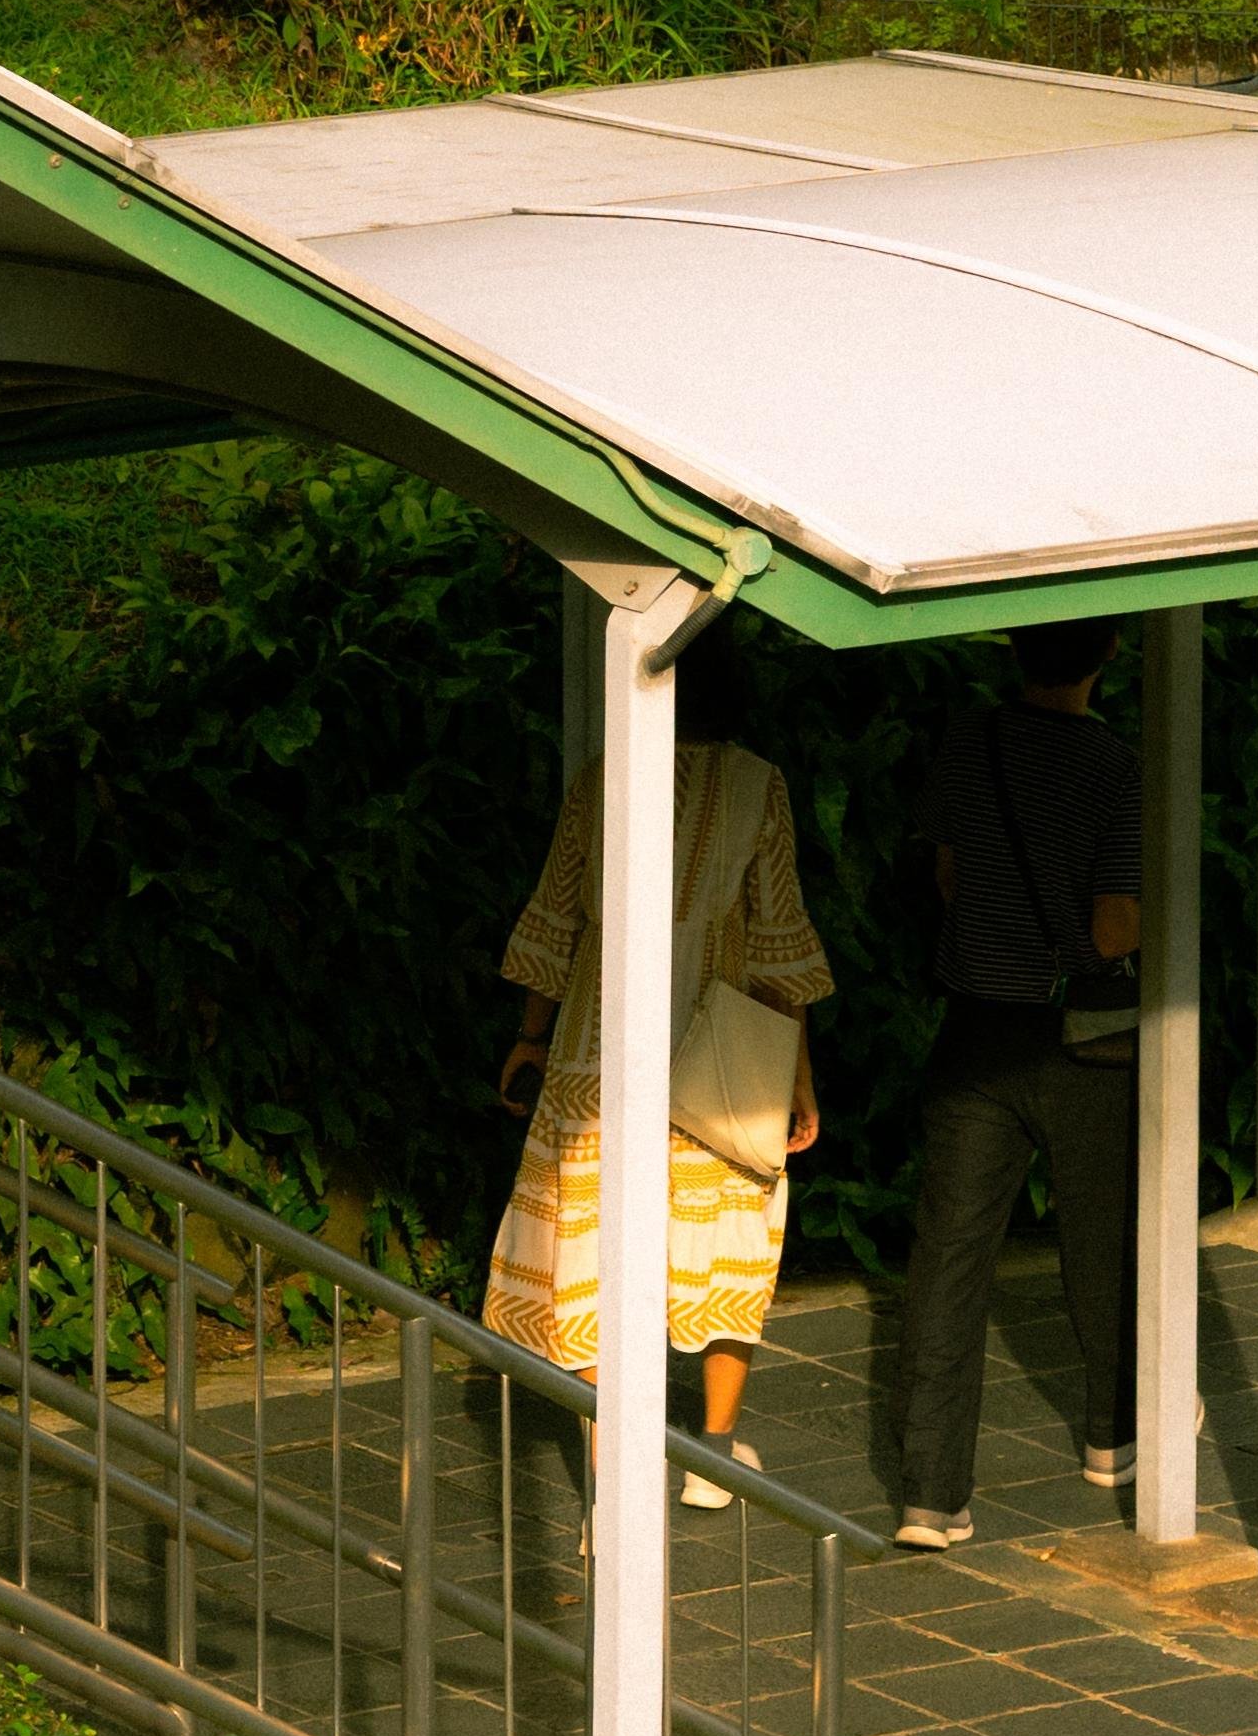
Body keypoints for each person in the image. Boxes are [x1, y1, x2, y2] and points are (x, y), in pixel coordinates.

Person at [486, 633, 831, 1516]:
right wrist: (798, 1076)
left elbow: (557, 917)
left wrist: (529, 1036)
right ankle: (712, 1452)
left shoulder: (607, 776)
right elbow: (780, 944)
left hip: (597, 1049)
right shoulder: (762, 786)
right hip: (718, 1058)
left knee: (595, 1246)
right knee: (728, 1238)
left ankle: (613, 1469)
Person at [885, 617, 1143, 1553]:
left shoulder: (970, 743)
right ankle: (1114, 1438)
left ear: (1016, 650)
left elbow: (948, 873)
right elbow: (1115, 929)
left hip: (974, 1033)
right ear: (1108, 656)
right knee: (1104, 1242)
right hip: (1084, 1041)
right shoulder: (1117, 770)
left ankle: (930, 1493)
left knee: (949, 1261)